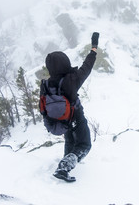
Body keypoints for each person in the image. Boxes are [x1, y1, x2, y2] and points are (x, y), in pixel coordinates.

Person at [43, 32, 99, 181]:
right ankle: (64, 168)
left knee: (70, 142)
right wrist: (94, 48)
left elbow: (43, 106)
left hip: (61, 120)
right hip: (76, 116)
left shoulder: (47, 84)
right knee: (84, 145)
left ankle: (64, 163)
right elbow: (87, 66)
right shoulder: (72, 80)